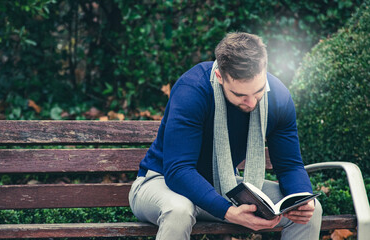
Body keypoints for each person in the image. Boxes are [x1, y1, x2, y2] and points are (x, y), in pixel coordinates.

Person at [128, 32, 322, 240]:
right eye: (240, 95)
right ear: (220, 76)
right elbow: (178, 170)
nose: (252, 103)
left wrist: (301, 198)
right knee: (179, 210)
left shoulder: (279, 97)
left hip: (223, 187)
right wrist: (228, 212)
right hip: (161, 183)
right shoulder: (192, 89)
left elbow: (289, 165)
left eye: (257, 91)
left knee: (310, 212)